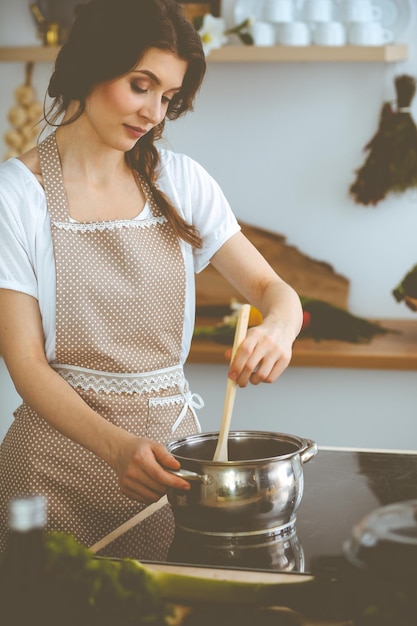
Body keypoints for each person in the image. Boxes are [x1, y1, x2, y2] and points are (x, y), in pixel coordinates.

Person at [0, 0, 303, 558]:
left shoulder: (182, 182)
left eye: (167, 98)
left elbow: (272, 291)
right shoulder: (15, 196)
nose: (153, 114)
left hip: (169, 477)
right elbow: (26, 366)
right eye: (140, 86)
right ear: (91, 67)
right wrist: (117, 449)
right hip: (49, 474)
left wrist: (280, 326)